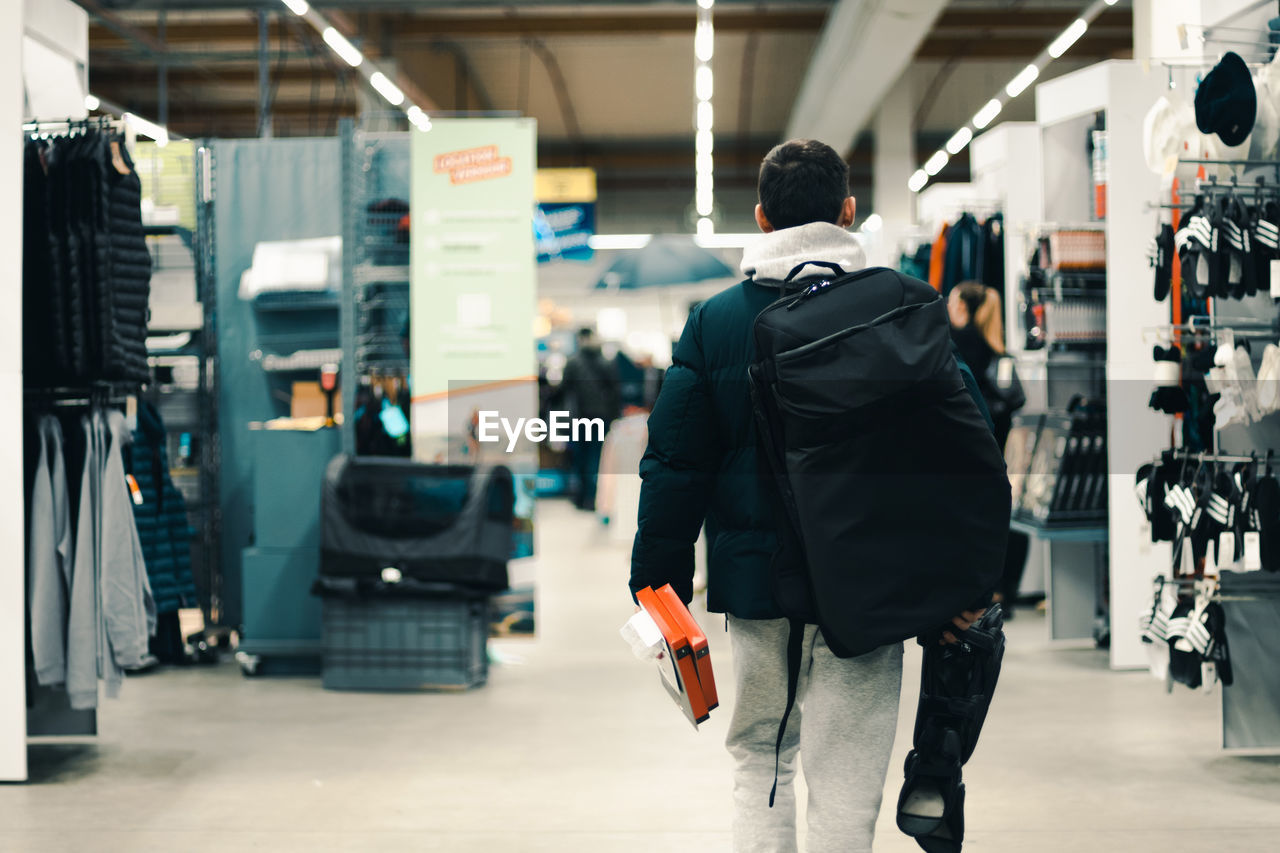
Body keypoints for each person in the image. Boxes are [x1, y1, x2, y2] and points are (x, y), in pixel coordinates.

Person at [630, 139, 985, 853]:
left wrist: (657, 588)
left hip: (758, 591)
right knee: (848, 781)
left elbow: (675, 464)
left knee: (761, 759)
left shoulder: (715, 323)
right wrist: (968, 580)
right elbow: (960, 455)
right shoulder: (903, 309)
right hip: (871, 589)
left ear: (762, 219)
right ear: (849, 211)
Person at [947, 281, 1029, 617]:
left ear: (962, 307)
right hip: (995, 446)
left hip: (965, 448)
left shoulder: (957, 344)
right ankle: (1000, 593)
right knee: (995, 517)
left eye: (951, 302)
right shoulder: (997, 347)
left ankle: (974, 597)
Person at [559, 327, 620, 511]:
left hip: (579, 417)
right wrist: (614, 416)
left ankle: (582, 497)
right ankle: (594, 498)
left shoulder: (572, 362)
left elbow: (563, 390)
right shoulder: (605, 361)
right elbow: (614, 392)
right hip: (601, 417)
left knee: (580, 457)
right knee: (597, 457)